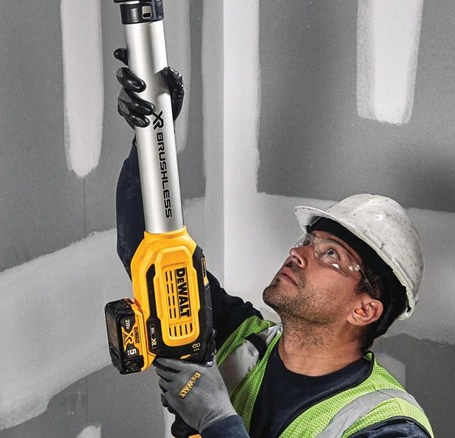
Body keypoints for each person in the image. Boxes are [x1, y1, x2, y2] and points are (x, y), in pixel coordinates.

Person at [114, 49, 434, 438]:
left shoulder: (387, 426)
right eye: (307, 241)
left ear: (365, 310)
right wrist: (152, 136)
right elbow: (147, 255)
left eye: (330, 254)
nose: (298, 253)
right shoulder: (242, 342)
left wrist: (218, 421)